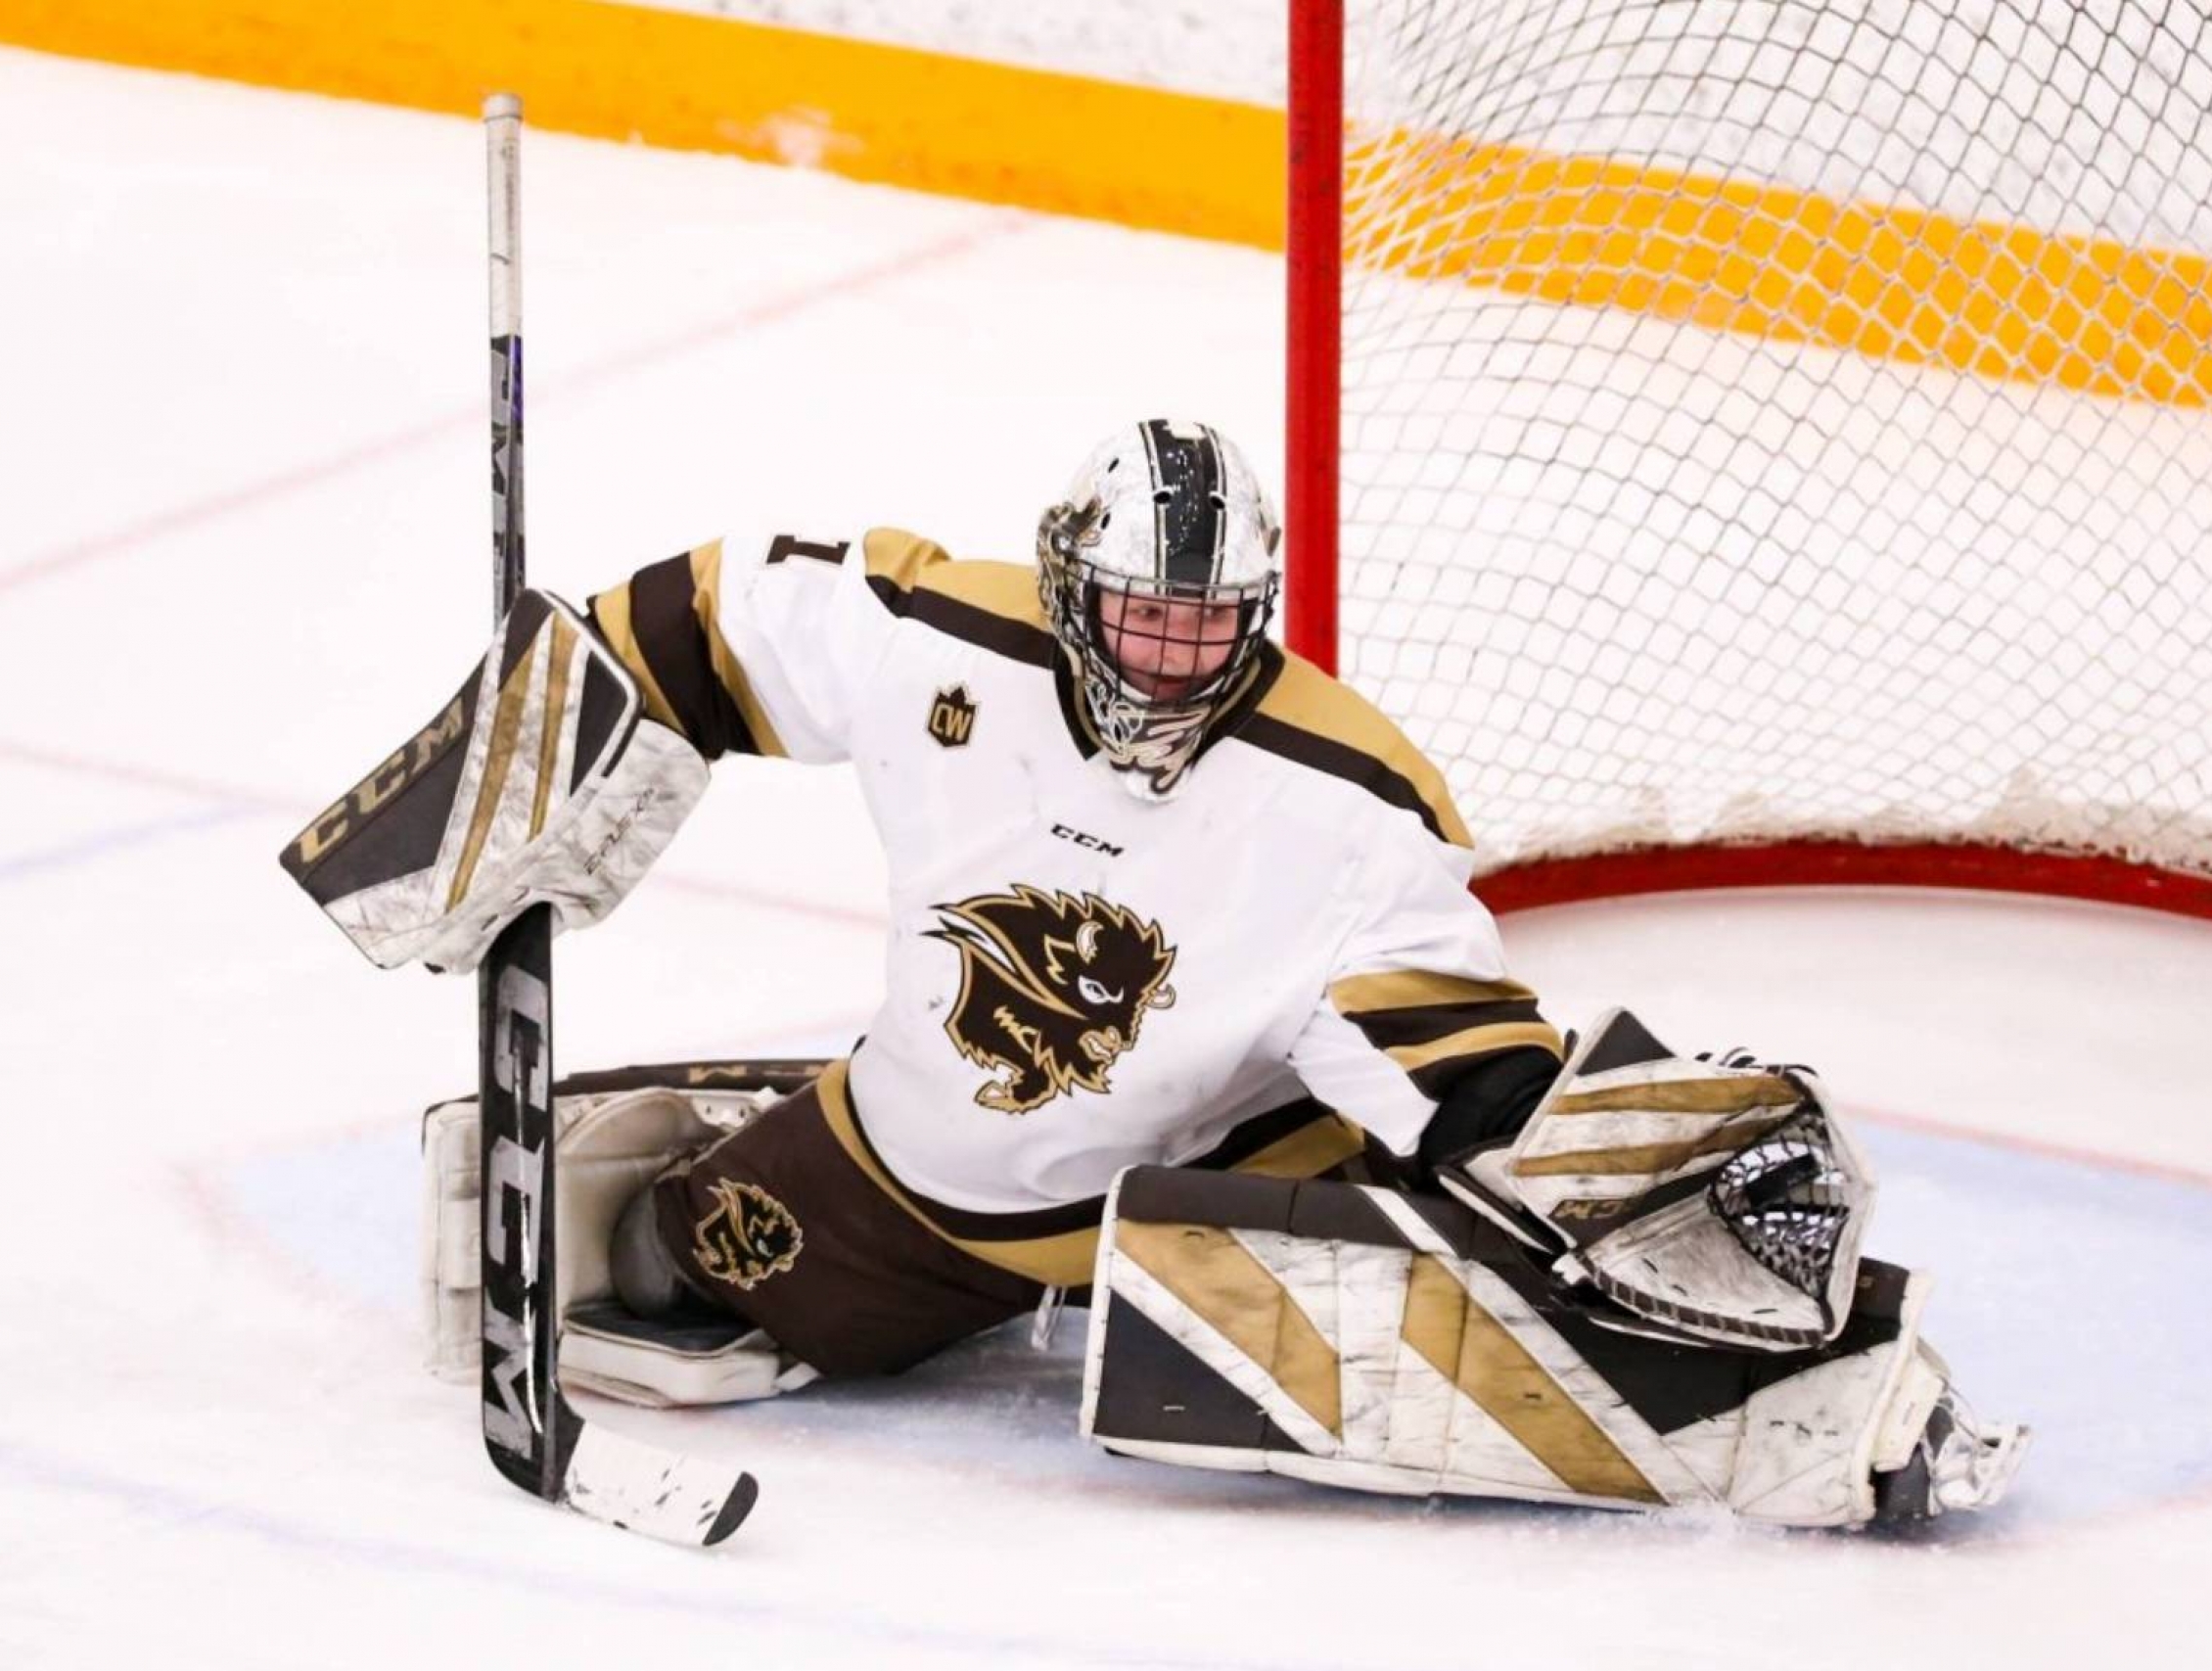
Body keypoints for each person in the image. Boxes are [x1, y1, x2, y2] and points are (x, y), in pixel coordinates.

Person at [284, 420, 2025, 1526]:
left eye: (1206, 627)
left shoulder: (1342, 799)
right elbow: (688, 626)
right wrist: (505, 782)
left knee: (1408, 1267)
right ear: (1067, 583)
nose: (1168, 657)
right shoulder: (938, 636)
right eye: (1137, 616)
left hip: (1196, 1175)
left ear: (1256, 616)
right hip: (915, 1184)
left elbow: (1458, 1066)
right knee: (663, 1268)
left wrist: (1594, 1159)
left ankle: (1825, 1393)